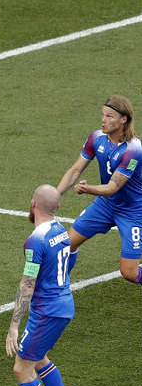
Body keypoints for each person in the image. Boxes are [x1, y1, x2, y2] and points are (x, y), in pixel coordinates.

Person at [5, 185, 80, 386]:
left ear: (33, 203)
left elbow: (27, 283)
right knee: (39, 359)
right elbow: (71, 258)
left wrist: (13, 327)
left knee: (22, 367)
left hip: (47, 312)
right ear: (57, 207)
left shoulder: (35, 241)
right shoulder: (61, 231)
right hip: (60, 305)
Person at [56, 96, 142, 284]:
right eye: (103, 115)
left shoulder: (133, 149)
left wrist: (88, 189)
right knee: (67, 245)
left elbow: (113, 187)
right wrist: (56, 194)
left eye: (109, 116)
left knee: (130, 273)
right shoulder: (96, 138)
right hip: (106, 205)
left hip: (133, 211)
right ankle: (59, 287)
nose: (103, 120)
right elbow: (75, 170)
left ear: (123, 119)